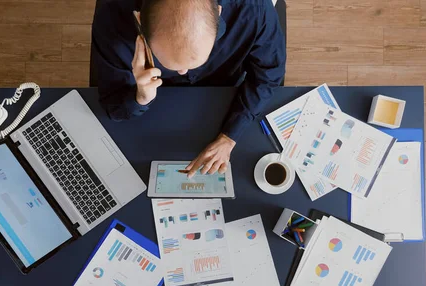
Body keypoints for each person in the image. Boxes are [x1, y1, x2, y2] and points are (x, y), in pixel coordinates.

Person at [92, 0, 286, 178]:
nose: (183, 72)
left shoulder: (253, 8)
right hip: (156, 103)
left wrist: (229, 136)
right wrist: (141, 96)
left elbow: (268, 76)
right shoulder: (112, 18)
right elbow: (113, 104)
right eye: (171, 63)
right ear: (139, 20)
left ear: (218, 14)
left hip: (224, 94)